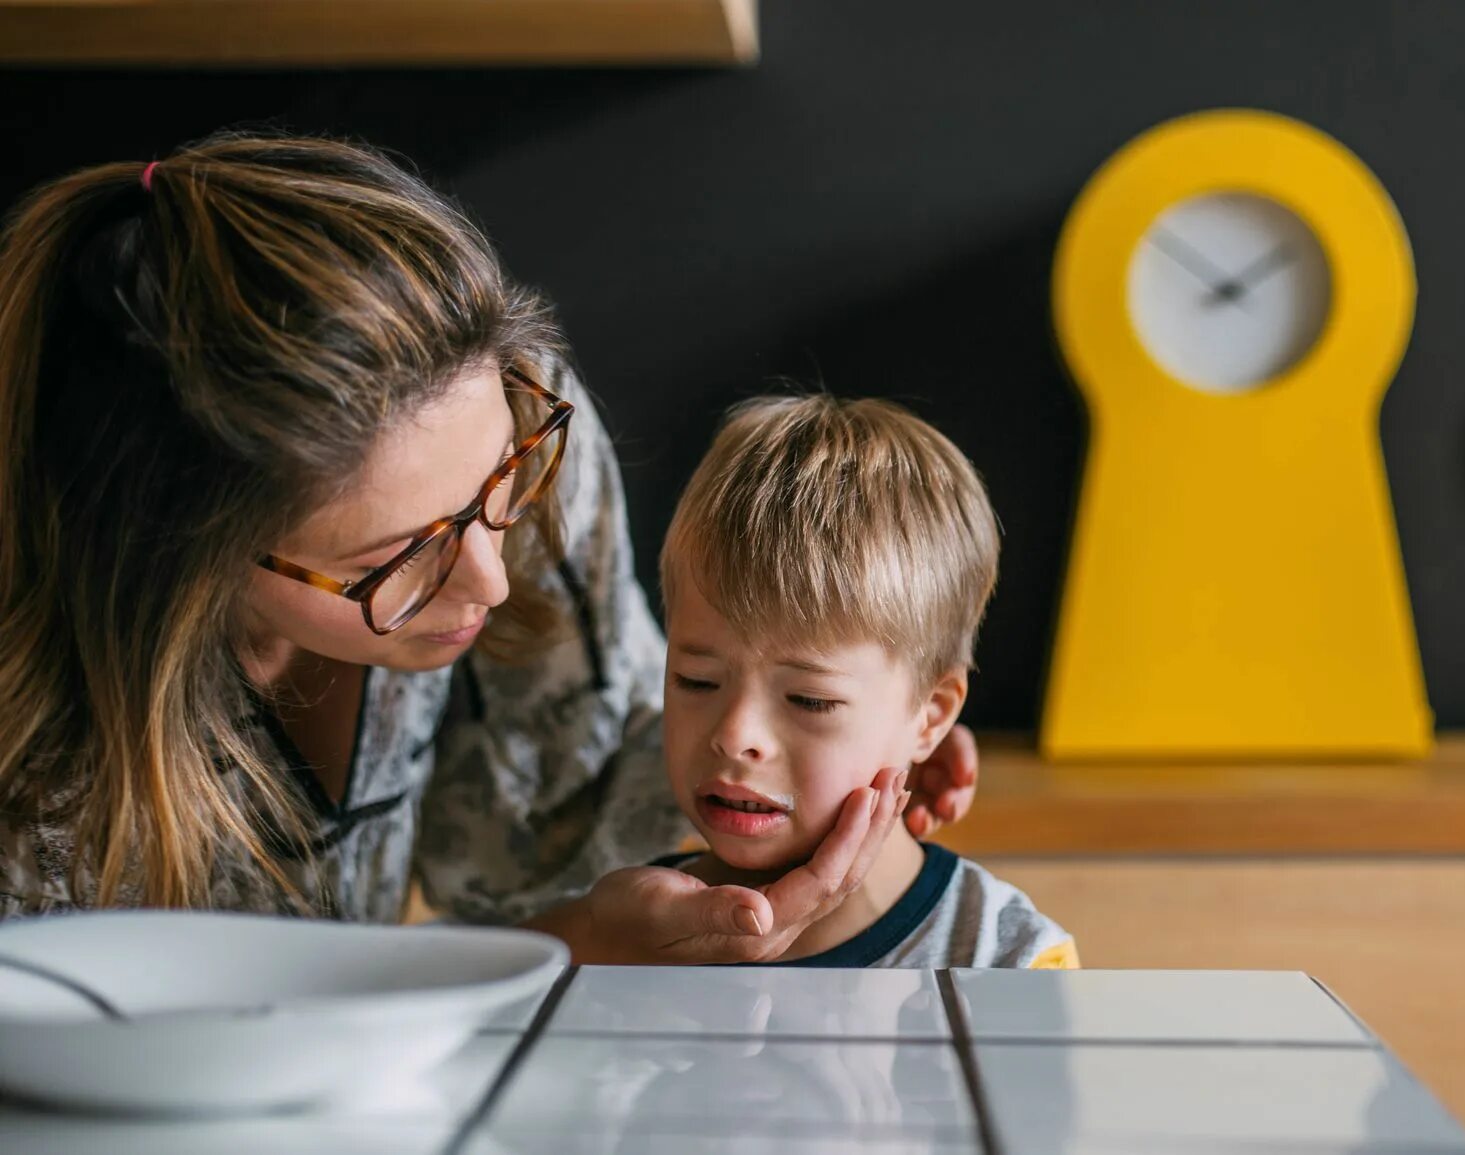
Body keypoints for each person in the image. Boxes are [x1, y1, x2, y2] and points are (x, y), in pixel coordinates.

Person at [0, 131, 979, 963]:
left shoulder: (512, 409)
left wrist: (848, 736)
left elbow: (562, 803)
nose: (492, 579)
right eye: (399, 559)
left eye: (494, 491)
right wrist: (584, 942)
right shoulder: (36, 769)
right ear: (177, 557)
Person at [654, 395, 1077, 967]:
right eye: (696, 680)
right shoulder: (629, 934)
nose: (735, 735)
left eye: (811, 699)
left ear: (929, 716)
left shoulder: (1010, 963)